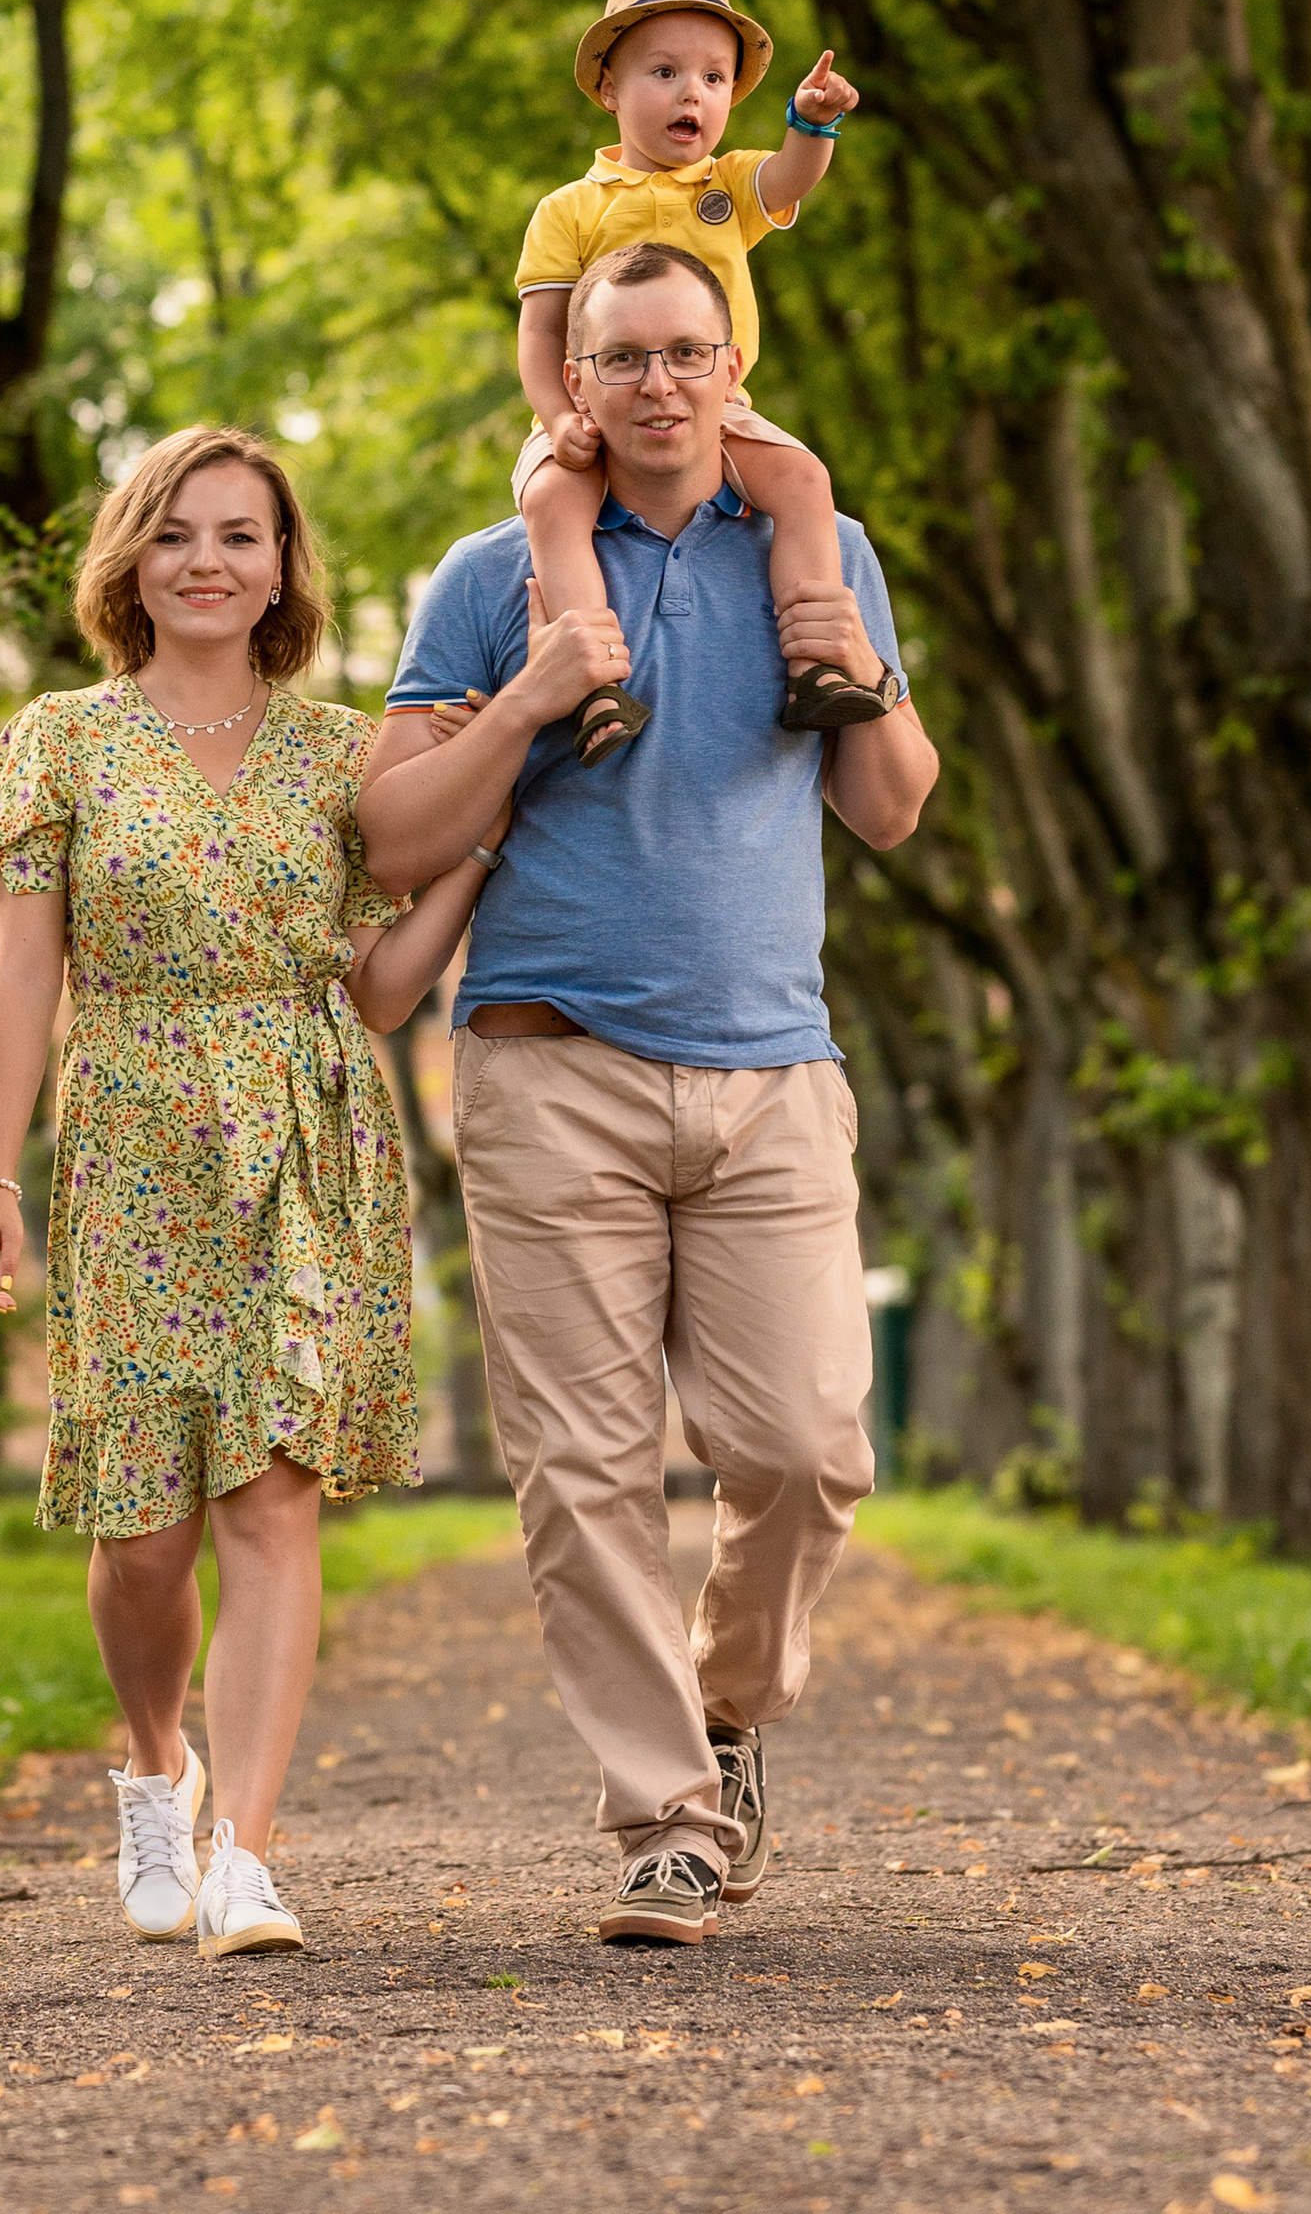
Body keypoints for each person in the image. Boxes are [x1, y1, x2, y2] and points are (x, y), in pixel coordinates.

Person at [359, 243, 940, 1945]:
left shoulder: (822, 549)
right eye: (625, 356)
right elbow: (392, 838)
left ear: (733, 366)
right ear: (579, 379)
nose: (659, 384)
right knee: (583, 1470)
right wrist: (535, 698)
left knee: (809, 1447)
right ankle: (666, 1823)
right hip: (547, 1068)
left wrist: (844, 630)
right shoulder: (491, 575)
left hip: (772, 1070)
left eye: (690, 351)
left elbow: (891, 808)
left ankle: (727, 1713)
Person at [0, 425, 497, 1961]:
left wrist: (472, 851)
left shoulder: (347, 756)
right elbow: (21, 982)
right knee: (140, 1531)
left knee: (269, 1491)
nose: (206, 560)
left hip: (306, 1137)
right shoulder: (59, 742)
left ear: (280, 569)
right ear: (131, 561)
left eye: (240, 534)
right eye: (177, 532)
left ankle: (247, 1854)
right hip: (131, 1136)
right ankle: (153, 1768)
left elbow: (380, 990)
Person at [512, 0, 888, 765]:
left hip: (716, 409)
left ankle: (816, 668)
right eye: (665, 72)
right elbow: (541, 334)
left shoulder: (728, 183)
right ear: (608, 88)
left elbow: (791, 175)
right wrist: (558, 418)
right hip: (600, 409)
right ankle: (593, 684)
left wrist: (811, 124)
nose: (693, 93)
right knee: (550, 501)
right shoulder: (570, 209)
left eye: (714, 78)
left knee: (804, 482)